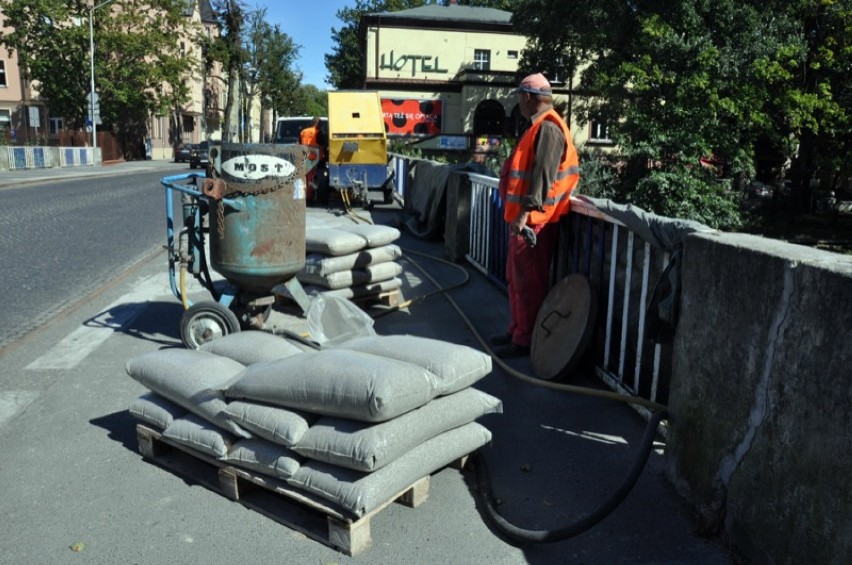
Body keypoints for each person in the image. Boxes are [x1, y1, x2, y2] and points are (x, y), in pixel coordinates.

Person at [492, 73, 580, 358]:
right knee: (516, 277)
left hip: (534, 224)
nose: (518, 101)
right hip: (525, 222)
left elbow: (542, 178)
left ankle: (524, 340)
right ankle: (516, 329)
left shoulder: (549, 128)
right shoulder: (538, 126)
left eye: (520, 96)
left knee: (529, 281)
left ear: (529, 97)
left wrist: (524, 215)